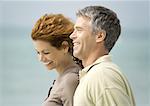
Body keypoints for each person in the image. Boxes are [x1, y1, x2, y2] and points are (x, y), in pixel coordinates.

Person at [70, 6, 135, 106]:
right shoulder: (95, 74)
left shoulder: (102, 76)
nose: (72, 36)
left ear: (100, 36)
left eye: (79, 30)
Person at [31, 14, 82, 106]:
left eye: (46, 52)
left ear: (64, 47)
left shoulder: (70, 80)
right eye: (38, 52)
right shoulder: (64, 77)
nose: (41, 59)